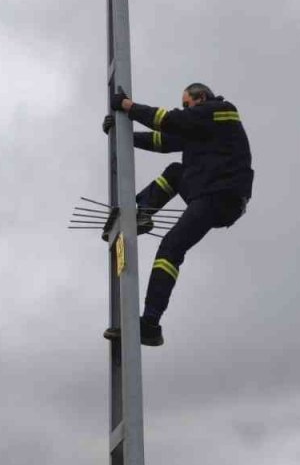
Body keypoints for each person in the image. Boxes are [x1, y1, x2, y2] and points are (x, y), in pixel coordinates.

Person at [101, 82, 253, 346]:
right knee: (175, 171)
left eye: (187, 104)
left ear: (201, 98)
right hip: (209, 191)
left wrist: (128, 106)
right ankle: (143, 213)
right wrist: (122, 135)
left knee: (170, 248)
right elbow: (165, 140)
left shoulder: (221, 111)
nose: (185, 109)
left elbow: (169, 121)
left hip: (220, 194)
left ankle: (149, 324)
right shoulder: (201, 129)